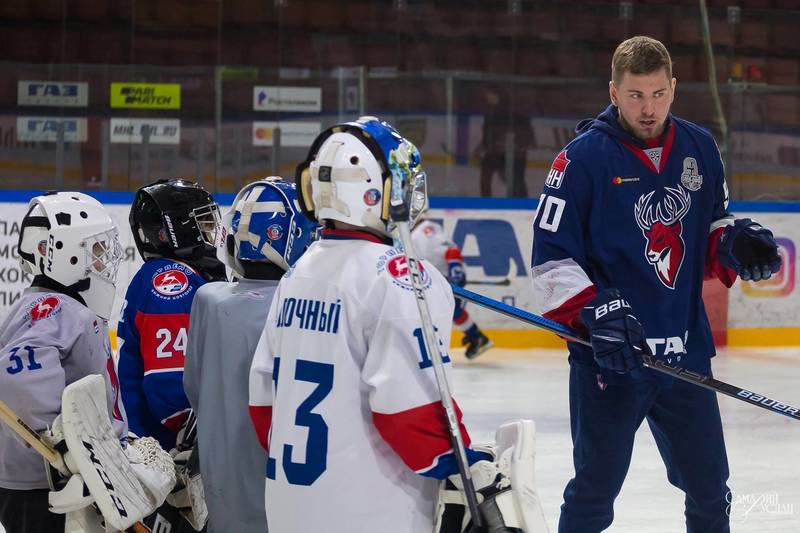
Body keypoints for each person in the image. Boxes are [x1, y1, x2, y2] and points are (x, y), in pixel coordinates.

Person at [531, 36, 782, 533]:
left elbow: (709, 227)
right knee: (593, 496)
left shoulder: (699, 148)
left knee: (711, 491)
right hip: (611, 361)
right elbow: (551, 264)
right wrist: (592, 312)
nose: (648, 109)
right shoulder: (580, 160)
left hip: (683, 355)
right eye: (635, 96)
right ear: (613, 92)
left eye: (658, 94)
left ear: (673, 88)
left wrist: (732, 244)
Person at [248, 116, 534, 532]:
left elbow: (263, 406)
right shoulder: (402, 278)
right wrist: (464, 463)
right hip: (368, 512)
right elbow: (410, 413)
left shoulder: (298, 273)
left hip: (290, 505)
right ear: (370, 190)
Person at [183, 177, 317, 533]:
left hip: (222, 504)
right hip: (282, 507)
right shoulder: (299, 311)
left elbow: (195, 391)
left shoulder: (208, 299)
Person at [0, 191, 126, 532]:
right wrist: (70, 447)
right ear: (66, 254)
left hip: (56, 484)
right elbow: (17, 380)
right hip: (49, 489)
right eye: (95, 249)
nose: (104, 260)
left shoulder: (58, 307)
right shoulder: (55, 308)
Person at [411, 219, 493, 358]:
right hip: (436, 279)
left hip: (444, 278)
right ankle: (476, 337)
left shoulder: (424, 231)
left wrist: (456, 273)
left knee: (437, 311)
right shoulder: (418, 232)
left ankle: (475, 338)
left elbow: (450, 251)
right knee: (450, 310)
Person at [477, 87, 533, 197]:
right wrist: (483, 145)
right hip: (495, 151)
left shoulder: (508, 111)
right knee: (486, 174)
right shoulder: (490, 112)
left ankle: (521, 200)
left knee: (516, 178)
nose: (487, 98)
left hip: (512, 152)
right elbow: (488, 134)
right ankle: (486, 201)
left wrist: (518, 145)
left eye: (490, 95)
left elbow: (522, 131)